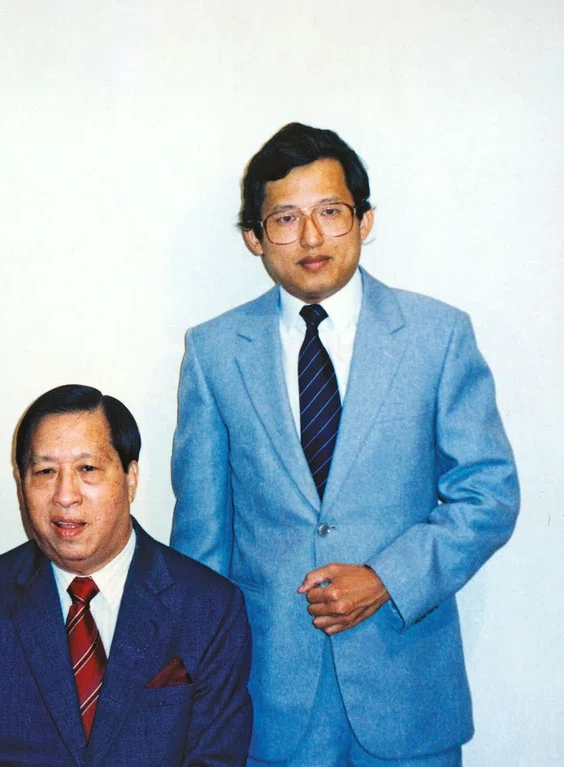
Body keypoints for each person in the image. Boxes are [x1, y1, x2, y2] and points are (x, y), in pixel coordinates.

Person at [170, 123, 519, 766]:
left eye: (331, 212)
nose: (310, 237)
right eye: (285, 218)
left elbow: (489, 494)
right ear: (254, 237)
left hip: (408, 686)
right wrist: (196, 685)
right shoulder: (214, 352)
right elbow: (203, 539)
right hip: (265, 700)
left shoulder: (437, 337)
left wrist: (388, 578)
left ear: (365, 220)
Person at [0, 384, 253, 766]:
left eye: (87, 469)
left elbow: (216, 759)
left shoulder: (210, 607)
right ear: (22, 485)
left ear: (130, 478)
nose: (65, 495)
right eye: (45, 471)